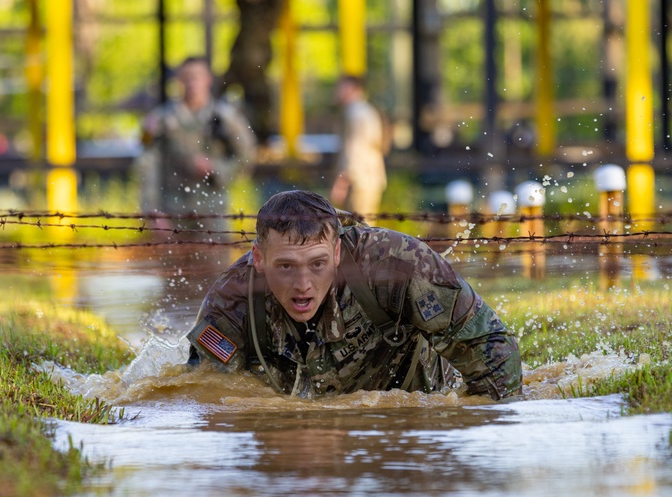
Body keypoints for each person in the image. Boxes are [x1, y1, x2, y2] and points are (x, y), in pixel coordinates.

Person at [186, 190, 522, 400]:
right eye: (286, 267)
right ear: (258, 259)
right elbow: (210, 395)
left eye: (317, 264)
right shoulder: (231, 302)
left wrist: (486, 428)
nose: (303, 283)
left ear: (336, 253)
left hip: (418, 400)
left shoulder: (395, 264)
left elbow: (490, 346)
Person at [137, 56, 257, 230]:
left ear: (208, 79)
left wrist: (215, 169)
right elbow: (147, 164)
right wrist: (151, 209)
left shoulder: (224, 118)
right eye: (186, 77)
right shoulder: (161, 120)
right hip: (172, 212)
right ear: (178, 80)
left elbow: (247, 155)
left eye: (197, 77)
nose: (192, 83)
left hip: (213, 213)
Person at [329, 75, 387, 217]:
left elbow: (355, 149)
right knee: (364, 230)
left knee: (357, 232)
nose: (336, 92)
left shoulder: (355, 113)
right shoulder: (366, 110)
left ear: (351, 88)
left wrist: (342, 181)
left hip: (359, 181)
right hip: (368, 178)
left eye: (340, 87)